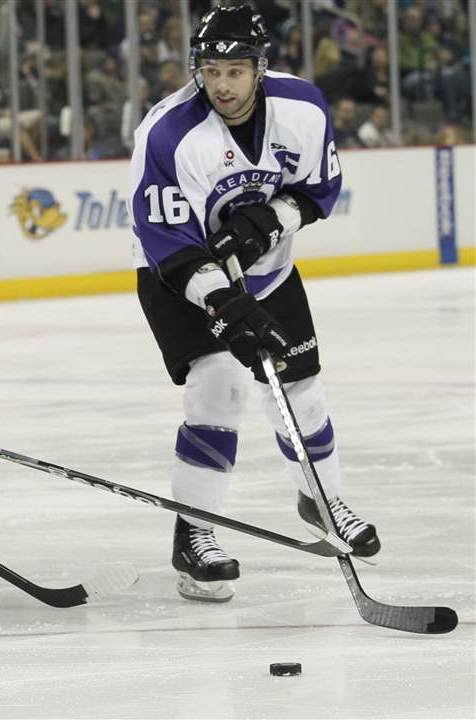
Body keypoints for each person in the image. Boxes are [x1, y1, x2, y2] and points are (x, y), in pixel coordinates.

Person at [129, 5, 380, 603]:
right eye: (210, 70)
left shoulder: (304, 109)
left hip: (269, 274)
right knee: (218, 386)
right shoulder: (167, 134)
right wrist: (224, 304)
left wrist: (275, 218)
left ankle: (321, 498)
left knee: (302, 389)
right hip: (178, 278)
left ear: (260, 69)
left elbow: (319, 188)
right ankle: (194, 534)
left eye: (235, 70)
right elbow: (170, 242)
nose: (221, 84)